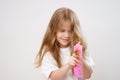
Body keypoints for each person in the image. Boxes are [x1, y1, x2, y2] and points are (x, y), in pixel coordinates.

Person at [35, 7, 95, 80]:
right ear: (54, 31)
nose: (67, 35)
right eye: (62, 31)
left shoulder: (80, 48)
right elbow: (54, 77)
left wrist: (81, 61)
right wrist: (68, 65)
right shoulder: (49, 52)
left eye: (70, 31)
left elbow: (88, 75)